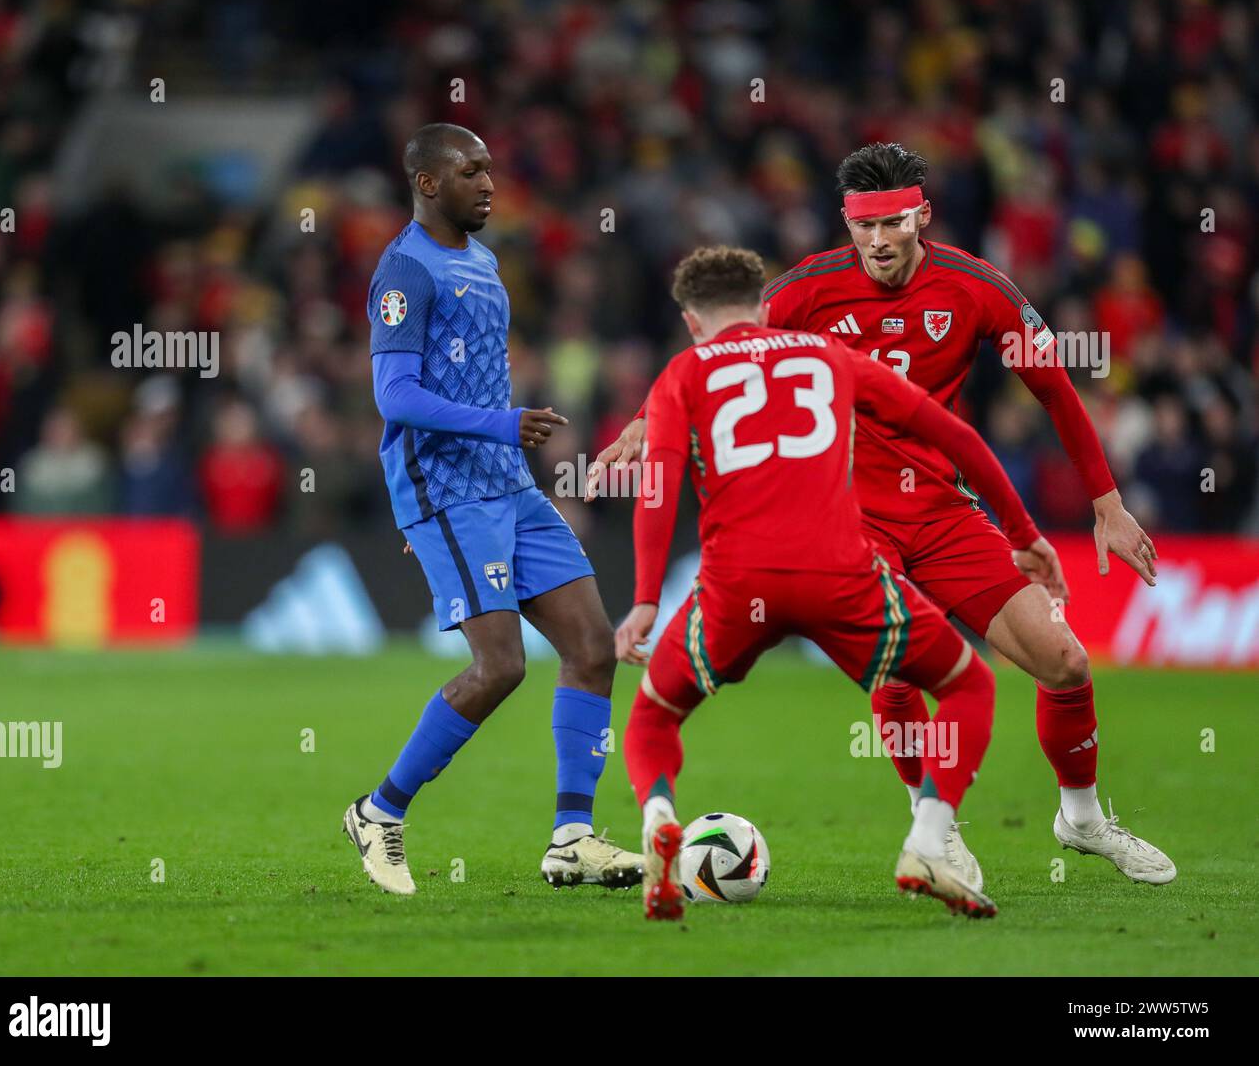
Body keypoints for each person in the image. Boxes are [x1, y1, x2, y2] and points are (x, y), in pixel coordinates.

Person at [595, 144, 1175, 888]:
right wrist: (648, 419)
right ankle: (933, 827)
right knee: (897, 675)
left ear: (921, 215)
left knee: (1065, 663)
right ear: (847, 221)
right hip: (849, 517)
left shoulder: (976, 287)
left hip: (942, 509)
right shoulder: (806, 289)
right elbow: (721, 352)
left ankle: (1083, 816)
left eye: (893, 223)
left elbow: (1055, 387)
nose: (877, 241)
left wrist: (1106, 503)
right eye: (864, 225)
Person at [619, 245, 1060, 921]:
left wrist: (647, 598)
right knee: (969, 682)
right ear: (765, 308)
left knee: (655, 713)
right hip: (843, 573)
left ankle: (657, 815)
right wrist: (1024, 533)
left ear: (691, 321)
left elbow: (656, 484)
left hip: (738, 585)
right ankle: (929, 836)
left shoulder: (682, 373)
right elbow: (958, 439)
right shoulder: (831, 357)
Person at [343, 123, 640, 895]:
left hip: (507, 484)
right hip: (449, 488)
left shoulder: (484, 260)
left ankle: (572, 834)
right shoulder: (404, 268)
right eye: (471, 170)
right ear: (428, 183)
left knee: (593, 644)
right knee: (501, 665)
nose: (489, 183)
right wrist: (498, 431)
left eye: (491, 169)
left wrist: (504, 442)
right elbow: (395, 395)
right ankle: (380, 809)